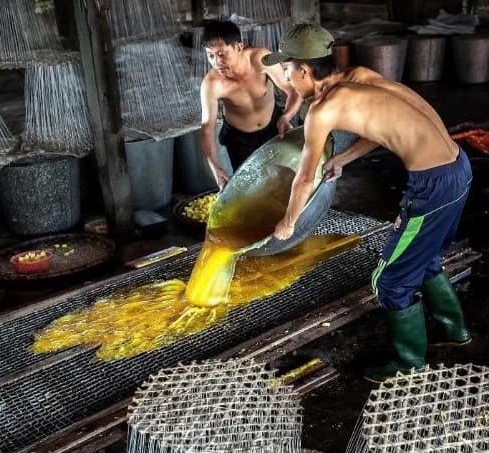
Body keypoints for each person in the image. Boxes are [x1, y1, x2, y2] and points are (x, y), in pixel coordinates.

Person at [262, 24, 473, 382]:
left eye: (285, 70)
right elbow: (383, 129)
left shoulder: (322, 110)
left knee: (388, 280)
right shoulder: (361, 76)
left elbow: (305, 177)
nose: (284, 78)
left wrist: (288, 223)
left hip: (433, 186)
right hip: (458, 168)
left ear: (304, 70)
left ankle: (410, 365)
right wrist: (344, 159)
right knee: (425, 259)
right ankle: (456, 332)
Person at [199, 20, 303, 189]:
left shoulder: (260, 59)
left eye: (222, 54)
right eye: (211, 56)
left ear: (239, 47)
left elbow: (292, 90)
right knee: (251, 187)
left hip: (273, 127)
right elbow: (207, 129)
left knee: (284, 179)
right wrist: (215, 168)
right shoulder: (211, 85)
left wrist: (286, 117)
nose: (216, 62)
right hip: (239, 139)